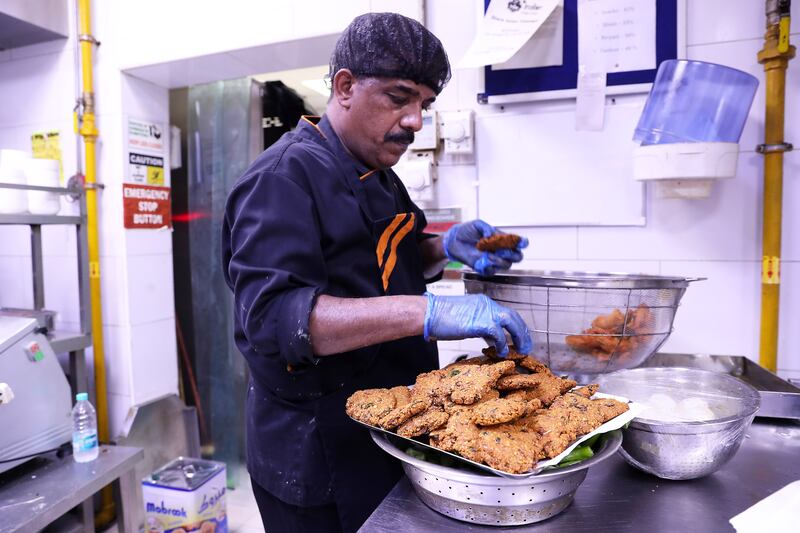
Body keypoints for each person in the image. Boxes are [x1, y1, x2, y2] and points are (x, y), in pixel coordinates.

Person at [221, 12, 532, 533]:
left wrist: (444, 251)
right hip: (318, 453)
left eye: (424, 105)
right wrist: (429, 311)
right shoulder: (283, 179)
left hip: (390, 427)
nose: (415, 120)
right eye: (398, 97)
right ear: (345, 87)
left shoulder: (380, 175)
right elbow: (278, 319)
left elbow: (394, 262)